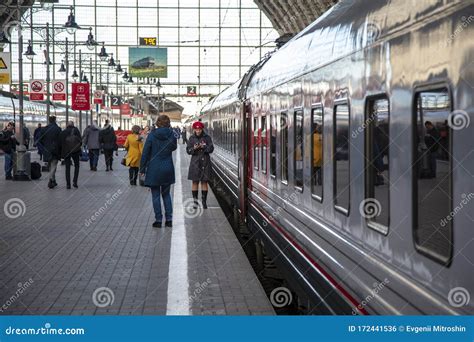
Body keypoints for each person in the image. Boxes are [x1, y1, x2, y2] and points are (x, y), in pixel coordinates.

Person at [140, 115, 177, 228]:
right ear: (168, 123)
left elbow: (145, 152)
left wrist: (142, 169)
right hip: (167, 168)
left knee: (155, 196)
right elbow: (174, 147)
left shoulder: (152, 135)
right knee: (166, 195)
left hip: (154, 169)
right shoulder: (172, 135)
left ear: (157, 123)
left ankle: (158, 220)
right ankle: (169, 220)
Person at [186, 121, 214, 209]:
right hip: (195, 162)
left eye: (199, 129)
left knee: (204, 182)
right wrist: (194, 148)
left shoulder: (207, 137)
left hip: (205, 162)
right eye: (196, 129)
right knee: (195, 182)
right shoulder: (191, 138)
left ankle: (204, 202)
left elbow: (211, 149)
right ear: (194, 129)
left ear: (202, 129)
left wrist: (204, 147)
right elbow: (188, 151)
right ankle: (195, 202)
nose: (198, 131)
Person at [39, 116, 61, 189]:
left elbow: (40, 139)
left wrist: (44, 146)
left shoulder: (44, 129)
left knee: (51, 166)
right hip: (55, 150)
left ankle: (53, 181)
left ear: (49, 120)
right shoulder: (58, 129)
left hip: (47, 150)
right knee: (54, 165)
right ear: (55, 120)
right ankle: (51, 179)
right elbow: (60, 141)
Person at [59, 121, 82, 189]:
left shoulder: (63, 132)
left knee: (67, 168)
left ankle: (68, 184)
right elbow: (80, 141)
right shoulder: (76, 130)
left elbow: (60, 143)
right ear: (73, 125)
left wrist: (61, 153)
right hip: (75, 151)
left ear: (67, 125)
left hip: (66, 152)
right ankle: (75, 182)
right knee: (77, 166)